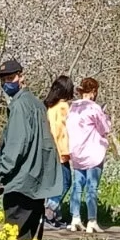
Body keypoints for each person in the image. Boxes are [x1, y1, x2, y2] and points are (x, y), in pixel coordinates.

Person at [0, 57, 62, 240]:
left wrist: (1, 175)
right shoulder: (36, 104)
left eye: (10, 78)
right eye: (3, 80)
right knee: (30, 233)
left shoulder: (20, 106)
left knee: (15, 234)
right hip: (37, 181)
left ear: (21, 76)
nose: (6, 83)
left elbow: (16, 146)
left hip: (19, 181)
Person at [66, 77, 112, 234]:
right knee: (92, 187)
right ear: (93, 91)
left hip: (77, 153)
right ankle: (92, 220)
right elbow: (105, 128)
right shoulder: (94, 108)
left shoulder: (72, 108)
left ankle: (75, 218)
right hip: (93, 152)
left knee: (77, 185)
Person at [44, 74, 74, 227]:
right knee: (65, 182)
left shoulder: (50, 107)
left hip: (51, 150)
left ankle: (55, 215)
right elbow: (60, 130)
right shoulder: (63, 107)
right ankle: (49, 211)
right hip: (60, 151)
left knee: (55, 183)